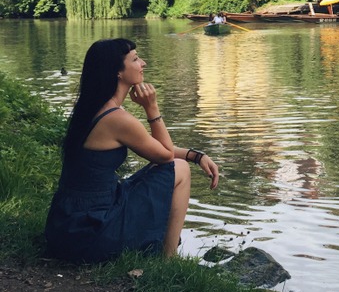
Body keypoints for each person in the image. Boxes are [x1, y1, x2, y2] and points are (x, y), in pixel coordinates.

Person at [45, 38, 220, 263]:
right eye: (135, 59)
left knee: (177, 164)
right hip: (90, 232)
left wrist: (197, 156)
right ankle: (168, 259)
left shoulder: (94, 107)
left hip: (67, 225)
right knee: (180, 170)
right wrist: (152, 108)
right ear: (117, 72)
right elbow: (166, 156)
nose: (143, 63)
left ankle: (162, 252)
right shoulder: (117, 119)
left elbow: (156, 148)